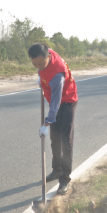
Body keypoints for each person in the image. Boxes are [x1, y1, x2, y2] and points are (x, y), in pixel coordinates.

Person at [28, 43, 78, 195]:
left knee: (65, 142)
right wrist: (40, 77)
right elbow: (41, 67)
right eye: (34, 64)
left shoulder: (57, 74)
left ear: (48, 58)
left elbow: (55, 104)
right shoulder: (45, 52)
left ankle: (64, 179)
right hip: (54, 99)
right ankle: (56, 170)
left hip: (67, 101)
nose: (38, 67)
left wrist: (46, 123)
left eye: (41, 64)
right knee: (55, 139)